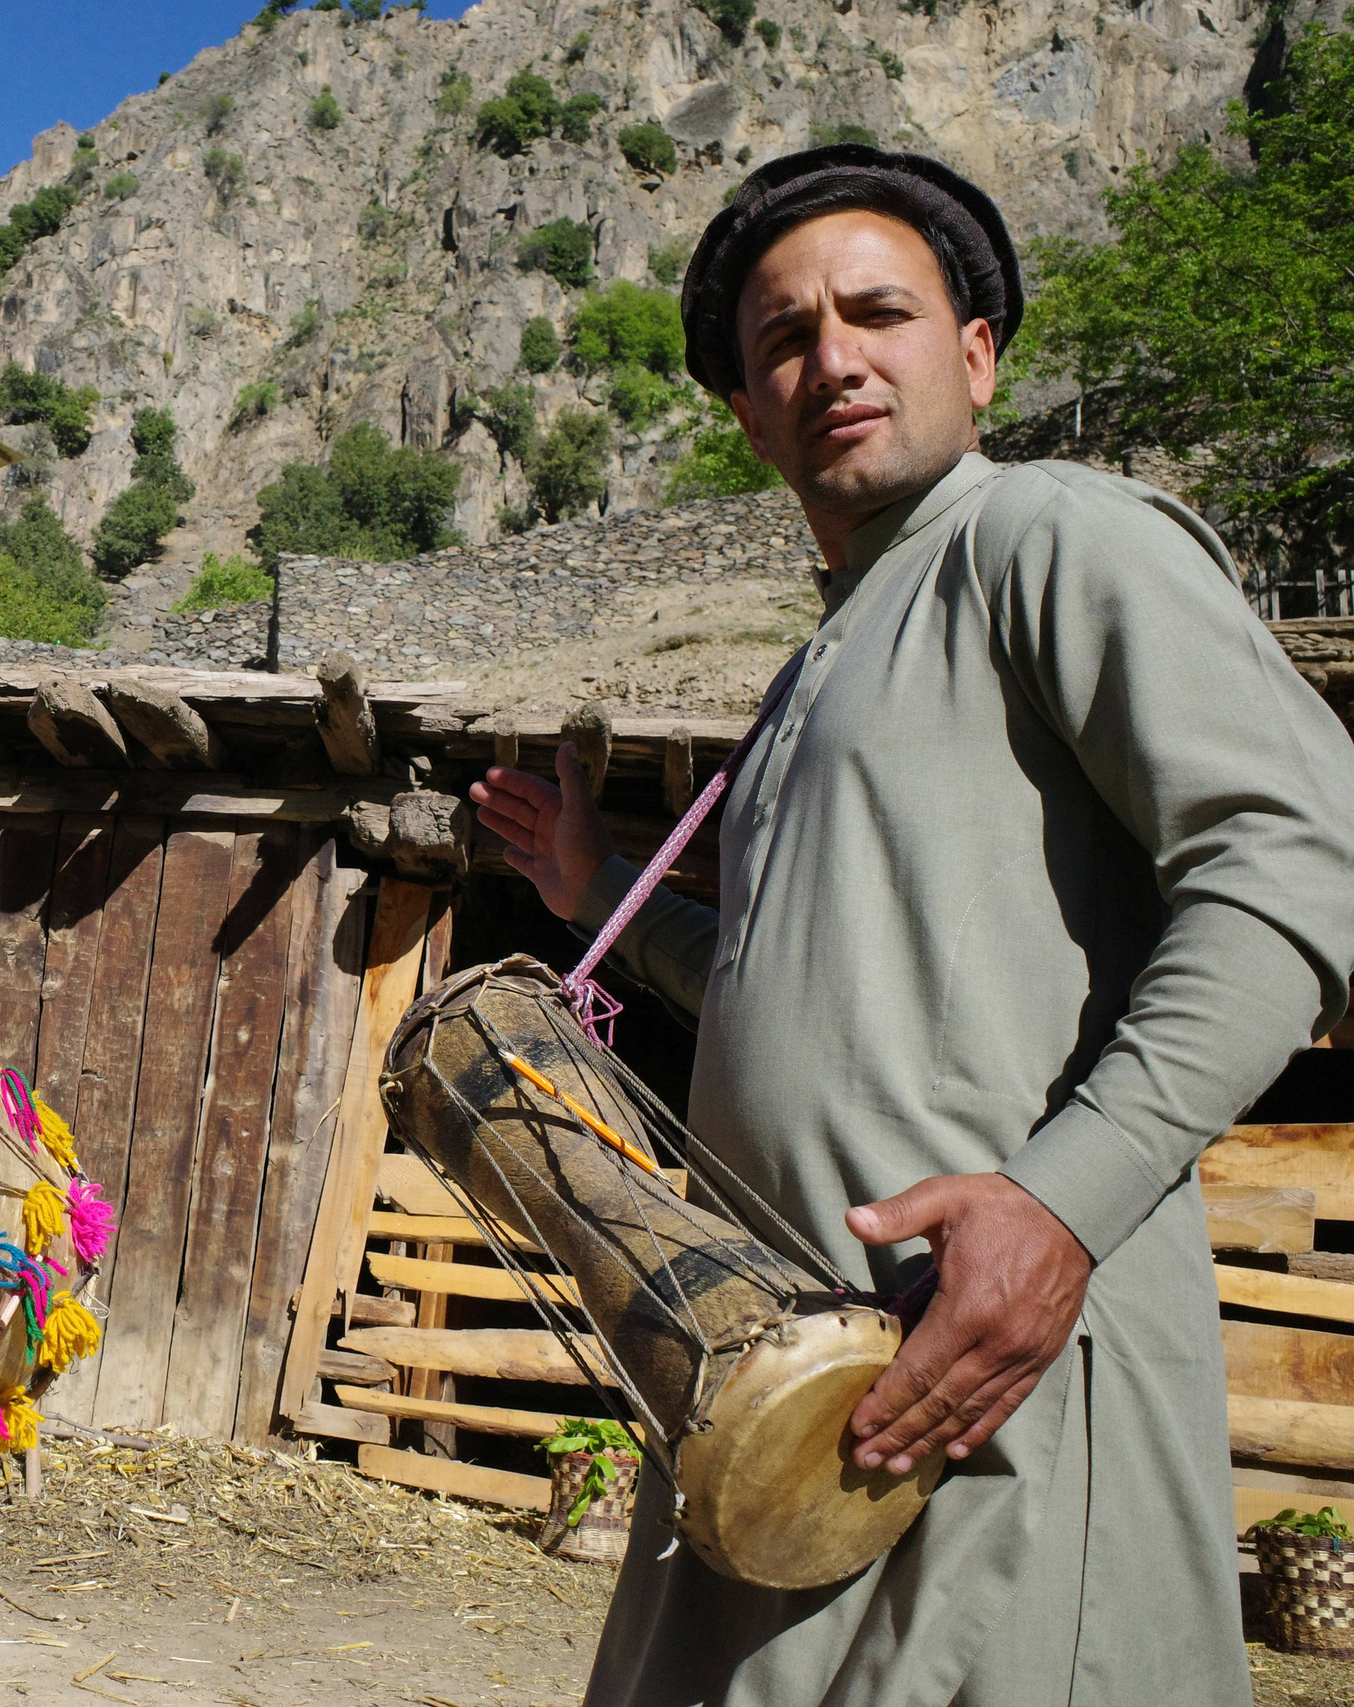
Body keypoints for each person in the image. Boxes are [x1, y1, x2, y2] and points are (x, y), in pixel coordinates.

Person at [473, 144, 1354, 1705]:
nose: (833, 357)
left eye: (877, 310)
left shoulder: (1047, 536)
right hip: (779, 1400)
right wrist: (599, 896)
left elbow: (1299, 867)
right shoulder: (813, 670)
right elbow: (776, 984)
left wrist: (1061, 1206)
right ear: (750, 415)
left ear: (975, 354)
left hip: (995, 1407)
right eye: (784, 340)